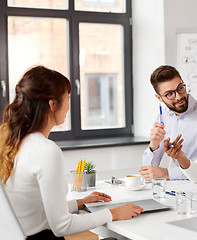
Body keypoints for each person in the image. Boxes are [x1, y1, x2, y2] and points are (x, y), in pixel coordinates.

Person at [0, 66, 143, 239]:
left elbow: (33, 210)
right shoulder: (46, 150)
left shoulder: (11, 141)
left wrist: (78, 203)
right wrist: (112, 213)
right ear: (52, 104)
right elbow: (62, 226)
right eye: (67, 98)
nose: (69, 105)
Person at [139, 65, 197, 181]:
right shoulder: (162, 118)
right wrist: (153, 146)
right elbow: (148, 172)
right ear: (159, 98)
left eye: (180, 88)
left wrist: (166, 173)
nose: (179, 97)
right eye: (170, 94)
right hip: (179, 189)